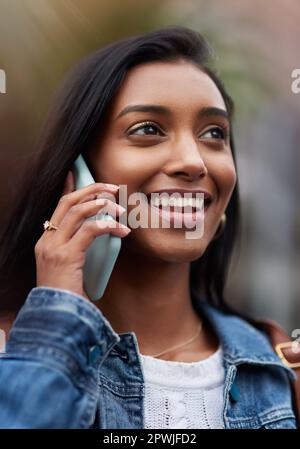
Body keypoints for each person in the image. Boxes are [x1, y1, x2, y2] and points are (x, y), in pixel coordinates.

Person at [0, 26, 297, 429]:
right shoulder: (13, 355)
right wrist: (57, 325)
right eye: (148, 130)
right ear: (78, 171)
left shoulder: (283, 368)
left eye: (214, 134)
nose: (194, 162)